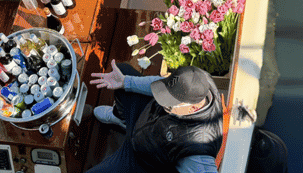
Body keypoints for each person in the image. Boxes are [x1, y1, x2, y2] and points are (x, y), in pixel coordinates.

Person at [89, 60, 223, 173]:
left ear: (193, 107)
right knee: (122, 71)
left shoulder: (197, 150)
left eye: (170, 105)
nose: (163, 102)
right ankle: (122, 119)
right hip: (146, 116)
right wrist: (125, 82)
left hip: (140, 158)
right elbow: (160, 82)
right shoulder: (199, 79)